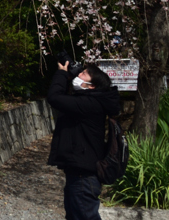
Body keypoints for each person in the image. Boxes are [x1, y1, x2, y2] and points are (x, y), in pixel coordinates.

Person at [47, 60, 120, 220]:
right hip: (80, 174)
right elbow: (68, 99)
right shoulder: (90, 101)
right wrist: (69, 76)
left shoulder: (89, 104)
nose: (79, 74)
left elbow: (54, 97)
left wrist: (61, 73)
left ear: (91, 85)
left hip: (83, 177)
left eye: (83, 73)